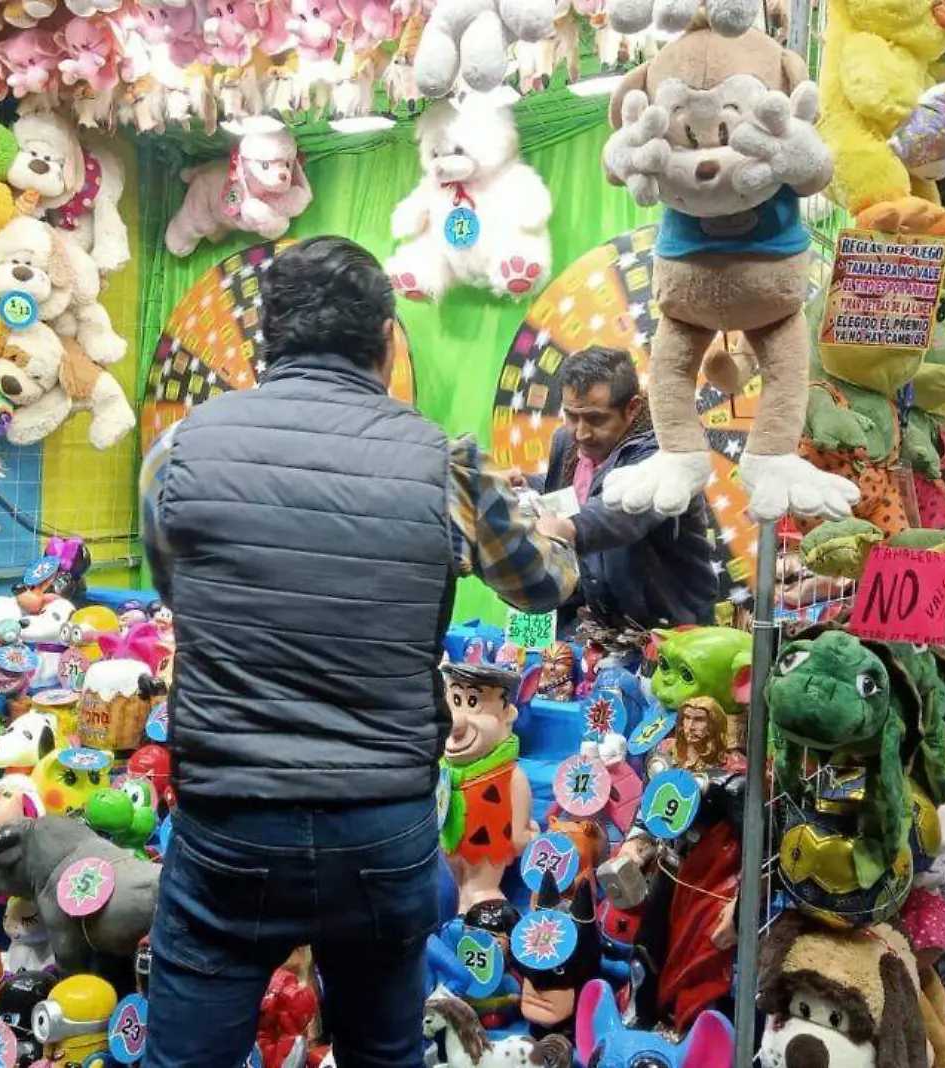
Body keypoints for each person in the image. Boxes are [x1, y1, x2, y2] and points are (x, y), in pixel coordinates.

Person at [138, 236, 579, 1068]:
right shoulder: (441, 460)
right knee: (384, 1054)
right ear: (386, 342)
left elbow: (178, 583)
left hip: (229, 817)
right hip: (380, 825)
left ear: (268, 341)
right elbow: (542, 585)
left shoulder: (179, 452)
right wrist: (552, 531)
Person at [533, 346, 735, 631]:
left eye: (595, 419)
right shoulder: (567, 444)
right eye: (571, 416)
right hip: (600, 630)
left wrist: (567, 527)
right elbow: (576, 493)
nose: (580, 432)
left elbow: (623, 511)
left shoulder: (668, 455)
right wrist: (519, 485)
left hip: (670, 636)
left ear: (632, 408)